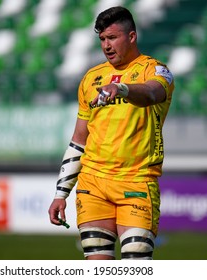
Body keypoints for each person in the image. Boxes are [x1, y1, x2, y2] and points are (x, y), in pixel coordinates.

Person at [48, 6, 174, 260]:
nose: (106, 45)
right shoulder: (91, 79)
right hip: (93, 184)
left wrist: (124, 89)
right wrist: (61, 193)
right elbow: (78, 142)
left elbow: (151, 93)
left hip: (137, 182)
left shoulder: (156, 70)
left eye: (112, 37)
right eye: (102, 39)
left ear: (131, 37)